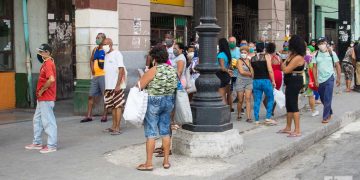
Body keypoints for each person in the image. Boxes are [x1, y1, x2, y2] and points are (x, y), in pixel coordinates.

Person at [136, 45, 177, 171]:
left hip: (154, 101)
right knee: (165, 131)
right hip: (168, 100)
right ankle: (166, 161)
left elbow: (140, 85)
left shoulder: (154, 69)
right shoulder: (172, 69)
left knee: (151, 132)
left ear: (154, 57)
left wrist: (141, 78)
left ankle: (149, 163)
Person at [25, 44, 57, 153]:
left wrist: (42, 90)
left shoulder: (48, 63)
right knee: (37, 120)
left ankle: (51, 145)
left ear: (47, 52)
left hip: (46, 97)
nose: (39, 54)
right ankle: (37, 142)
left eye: (41, 52)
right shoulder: (46, 63)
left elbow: (51, 79)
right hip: (42, 98)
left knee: (48, 121)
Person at [279, 35, 306, 137]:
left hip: (295, 80)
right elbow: (283, 66)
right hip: (290, 80)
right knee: (289, 104)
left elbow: (285, 69)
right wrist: (287, 59)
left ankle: (297, 130)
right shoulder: (292, 56)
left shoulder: (298, 57)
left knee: (293, 105)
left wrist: (285, 65)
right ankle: (288, 127)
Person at [81, 33, 108, 123]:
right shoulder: (95, 49)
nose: (97, 39)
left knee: (105, 96)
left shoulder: (106, 50)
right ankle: (89, 115)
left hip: (104, 76)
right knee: (90, 96)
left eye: (98, 38)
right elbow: (91, 60)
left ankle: (105, 115)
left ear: (103, 39)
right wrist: (92, 69)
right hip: (95, 76)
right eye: (96, 37)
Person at [313, 37, 341, 124]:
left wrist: (339, 78)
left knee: (327, 97)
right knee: (322, 98)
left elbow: (337, 65)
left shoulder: (332, 53)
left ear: (326, 43)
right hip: (320, 79)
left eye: (323, 43)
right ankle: (330, 111)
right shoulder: (316, 55)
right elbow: (314, 67)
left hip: (330, 77)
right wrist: (315, 80)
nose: (321, 45)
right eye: (320, 43)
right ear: (317, 45)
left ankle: (325, 117)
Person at [102, 38, 126, 135]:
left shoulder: (117, 54)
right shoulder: (106, 55)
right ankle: (113, 126)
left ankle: (118, 127)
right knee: (112, 106)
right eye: (103, 44)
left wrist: (117, 85)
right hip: (108, 86)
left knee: (118, 105)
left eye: (105, 44)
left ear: (110, 44)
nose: (103, 46)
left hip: (116, 85)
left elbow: (121, 69)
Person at [251, 43, 276, 125]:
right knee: (270, 98)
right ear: (263, 49)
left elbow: (252, 73)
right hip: (265, 80)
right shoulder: (266, 57)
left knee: (257, 100)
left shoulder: (252, 58)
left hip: (256, 81)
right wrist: (273, 81)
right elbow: (270, 70)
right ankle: (268, 118)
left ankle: (256, 120)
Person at [263, 42, 282, 116]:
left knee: (267, 96)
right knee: (275, 94)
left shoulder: (267, 57)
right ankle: (272, 111)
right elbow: (281, 67)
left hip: (270, 76)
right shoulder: (278, 57)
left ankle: (269, 110)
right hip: (279, 76)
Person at [235, 46, 253, 122]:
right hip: (240, 81)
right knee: (240, 100)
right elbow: (241, 72)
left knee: (248, 99)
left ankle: (248, 117)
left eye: (244, 53)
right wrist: (249, 73)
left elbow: (252, 71)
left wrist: (250, 73)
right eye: (241, 52)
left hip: (249, 82)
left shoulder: (250, 61)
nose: (243, 54)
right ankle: (239, 114)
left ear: (247, 53)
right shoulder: (239, 61)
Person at [303, 46, 319, 117]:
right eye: (306, 49)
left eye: (308, 49)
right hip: (308, 80)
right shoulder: (309, 58)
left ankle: (295, 111)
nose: (307, 50)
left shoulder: (304, 57)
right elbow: (312, 70)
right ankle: (313, 111)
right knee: (311, 96)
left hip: (303, 78)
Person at [216, 38, 233, 105]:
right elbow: (229, 66)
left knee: (222, 96)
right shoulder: (227, 54)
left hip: (221, 75)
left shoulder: (221, 55)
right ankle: (228, 112)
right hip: (226, 76)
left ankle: (224, 113)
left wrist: (227, 71)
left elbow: (222, 68)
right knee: (227, 95)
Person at [229, 36, 241, 112]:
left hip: (238, 74)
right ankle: (230, 107)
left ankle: (240, 108)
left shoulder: (239, 50)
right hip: (229, 74)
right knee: (229, 91)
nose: (232, 43)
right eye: (230, 42)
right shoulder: (227, 50)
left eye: (233, 41)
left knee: (239, 91)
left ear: (235, 42)